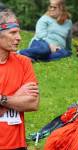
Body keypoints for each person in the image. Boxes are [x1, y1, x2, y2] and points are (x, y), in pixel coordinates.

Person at [0, 8, 39, 149]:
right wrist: (16, 96)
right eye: (13, 33)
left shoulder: (24, 62)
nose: (19, 38)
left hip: (17, 144)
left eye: (19, 33)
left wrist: (2, 100)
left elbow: (33, 103)